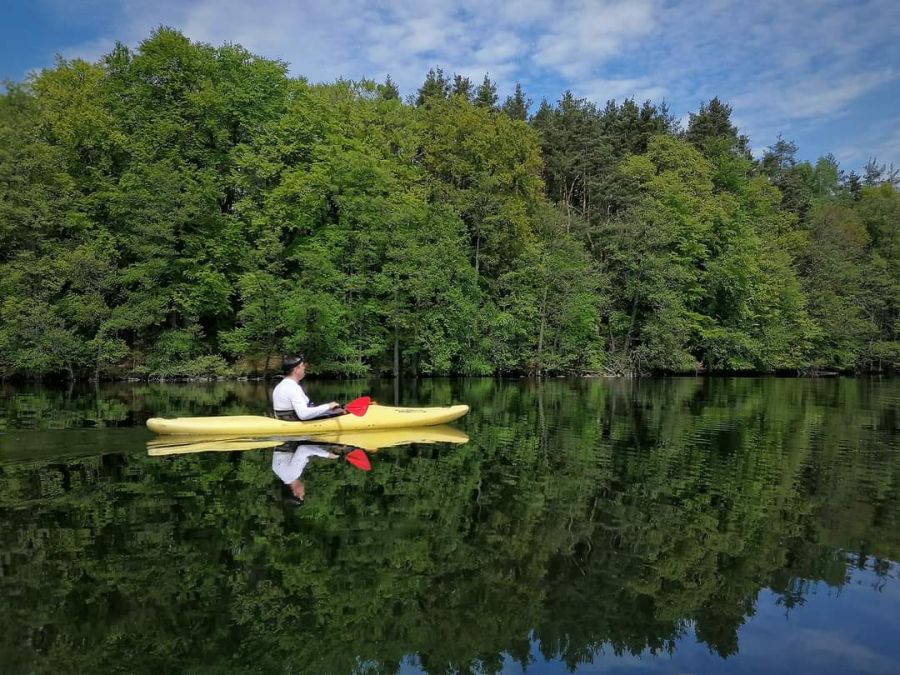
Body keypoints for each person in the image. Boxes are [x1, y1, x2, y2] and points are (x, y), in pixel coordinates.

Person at [272, 355, 343, 421]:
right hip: (295, 421)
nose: (304, 368)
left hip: (287, 419)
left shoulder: (280, 386)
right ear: (296, 369)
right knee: (340, 411)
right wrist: (328, 406)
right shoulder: (293, 388)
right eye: (302, 365)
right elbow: (303, 415)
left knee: (337, 409)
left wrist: (328, 408)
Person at [272, 441, 338, 504]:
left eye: (302, 495)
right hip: (284, 441)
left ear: (295, 493)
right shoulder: (278, 472)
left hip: (291, 439)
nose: (304, 492)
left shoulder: (293, 474)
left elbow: (303, 449)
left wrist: (328, 455)